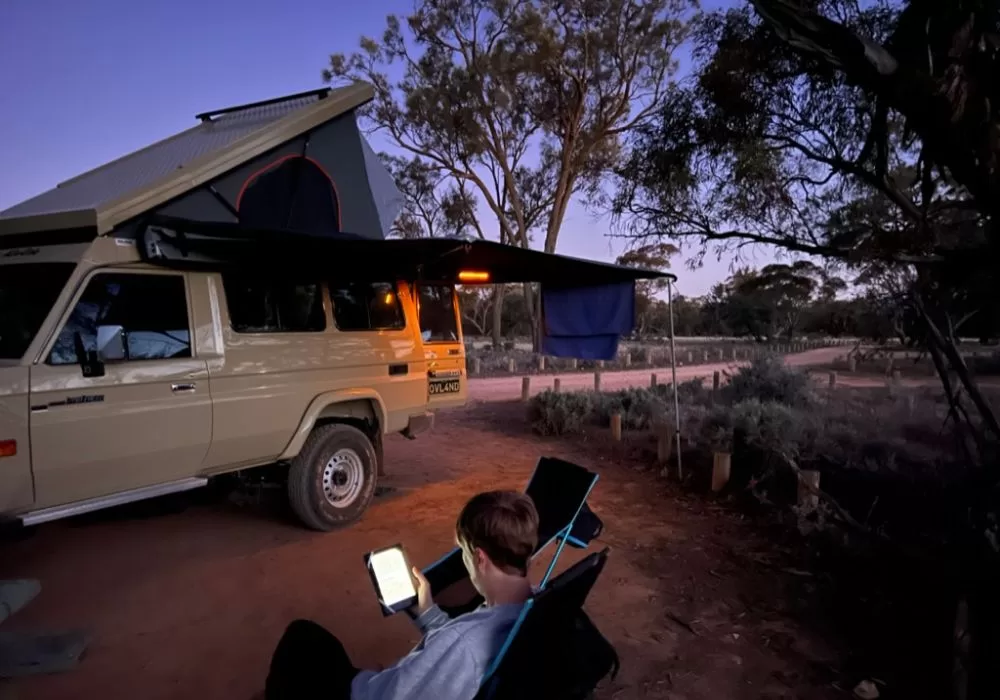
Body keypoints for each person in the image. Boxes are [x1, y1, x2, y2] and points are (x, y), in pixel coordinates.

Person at [265, 490, 539, 700]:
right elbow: (457, 653)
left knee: (301, 639)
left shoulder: (464, 646)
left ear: (479, 558)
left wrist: (371, 676)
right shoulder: (533, 607)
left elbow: (394, 693)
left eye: (464, 554)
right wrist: (428, 613)